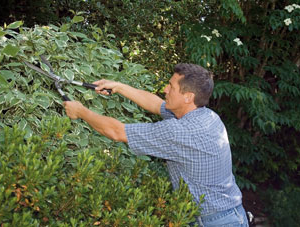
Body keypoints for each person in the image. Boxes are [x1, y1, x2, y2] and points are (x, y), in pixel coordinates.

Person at [63, 63, 249, 226]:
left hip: (214, 221)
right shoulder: (206, 116)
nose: (165, 90)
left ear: (188, 97)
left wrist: (81, 111)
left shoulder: (180, 132)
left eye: (171, 87)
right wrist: (118, 87)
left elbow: (117, 132)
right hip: (225, 215)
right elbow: (156, 104)